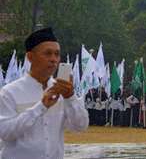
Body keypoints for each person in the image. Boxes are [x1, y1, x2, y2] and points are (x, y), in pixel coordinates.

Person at [0, 27, 89, 159]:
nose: (54, 59)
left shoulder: (62, 90)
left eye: (57, 54)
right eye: (48, 53)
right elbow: (6, 132)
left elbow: (80, 126)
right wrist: (40, 107)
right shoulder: (10, 92)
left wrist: (70, 97)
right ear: (30, 57)